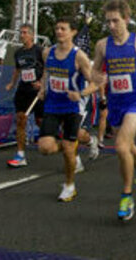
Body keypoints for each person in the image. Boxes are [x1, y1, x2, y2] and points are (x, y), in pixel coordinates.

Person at [90, 0, 136, 221]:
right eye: (108, 21)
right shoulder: (102, 45)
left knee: (121, 146)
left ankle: (126, 195)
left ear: (126, 19)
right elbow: (94, 71)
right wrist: (98, 78)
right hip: (116, 102)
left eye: (116, 20)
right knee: (128, 145)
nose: (111, 25)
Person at [37, 17, 96, 202]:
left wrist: (80, 93)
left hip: (72, 106)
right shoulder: (48, 52)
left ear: (73, 32)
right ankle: (70, 144)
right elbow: (47, 72)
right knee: (45, 148)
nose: (59, 31)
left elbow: (95, 83)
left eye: (63, 28)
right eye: (57, 28)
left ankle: (69, 186)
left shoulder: (79, 56)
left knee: (70, 151)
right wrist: (42, 88)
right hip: (53, 104)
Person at [6, 23, 45, 168]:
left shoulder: (40, 51)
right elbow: (18, 69)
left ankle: (57, 141)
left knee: (40, 122)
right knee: (21, 119)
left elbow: (48, 68)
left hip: (37, 91)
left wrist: (42, 82)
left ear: (31, 35)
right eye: (20, 33)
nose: (21, 35)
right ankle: (20, 154)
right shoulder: (18, 53)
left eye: (24, 33)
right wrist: (11, 83)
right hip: (23, 89)